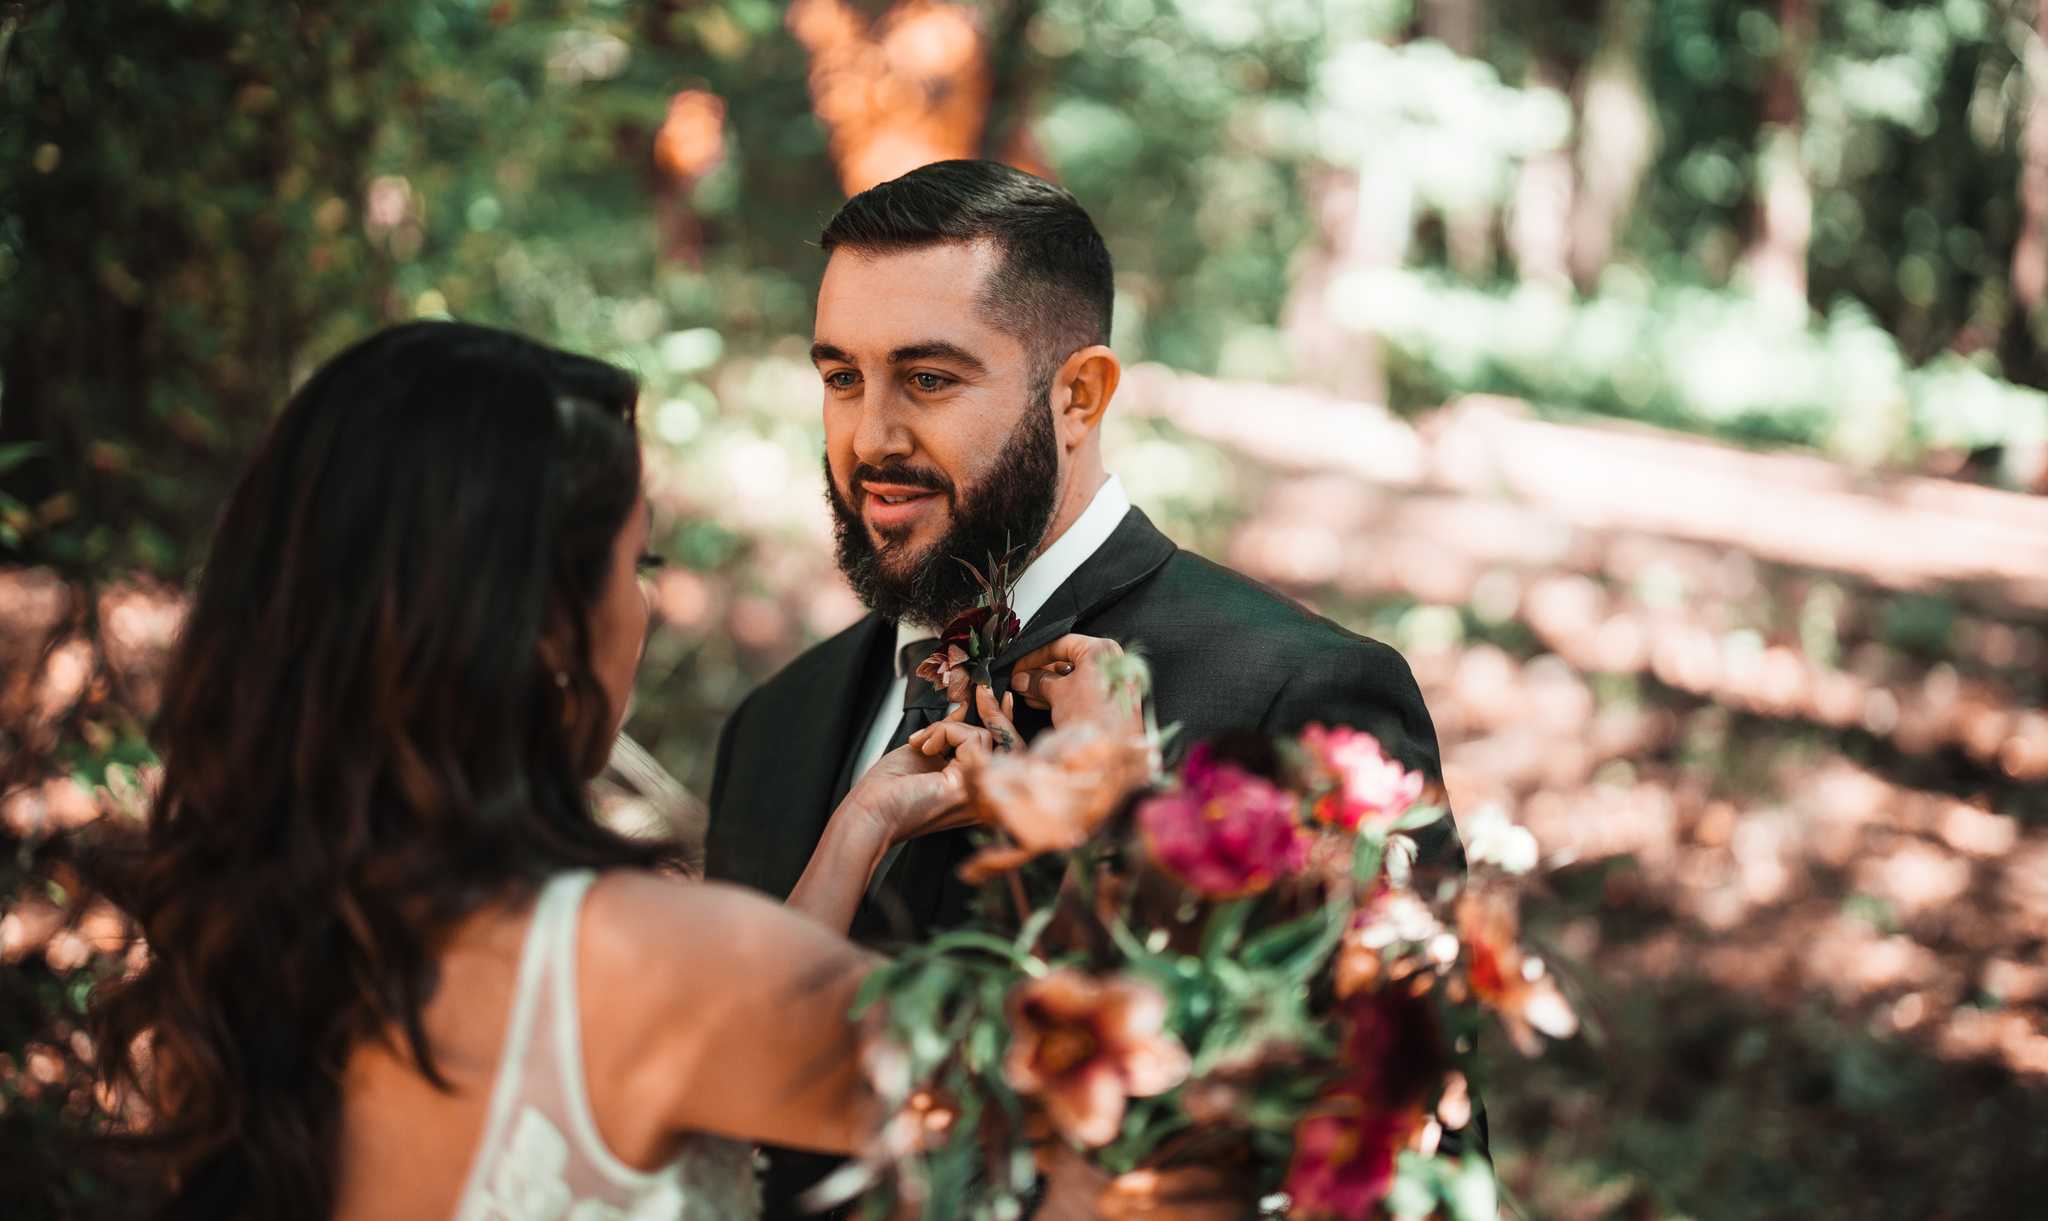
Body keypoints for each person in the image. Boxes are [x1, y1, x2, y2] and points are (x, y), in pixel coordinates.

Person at [86, 322, 1024, 1220]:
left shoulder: (239, 952)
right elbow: (1086, 1111)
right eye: (637, 559)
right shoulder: (664, 964)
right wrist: (1101, 780)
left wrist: (858, 825)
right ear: (541, 628)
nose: (646, 600)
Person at [705, 159, 1472, 1218]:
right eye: (841, 377)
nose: (869, 437)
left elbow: (1398, 1159)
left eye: (926, 379)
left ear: (1079, 394)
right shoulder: (771, 730)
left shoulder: (1298, 694)